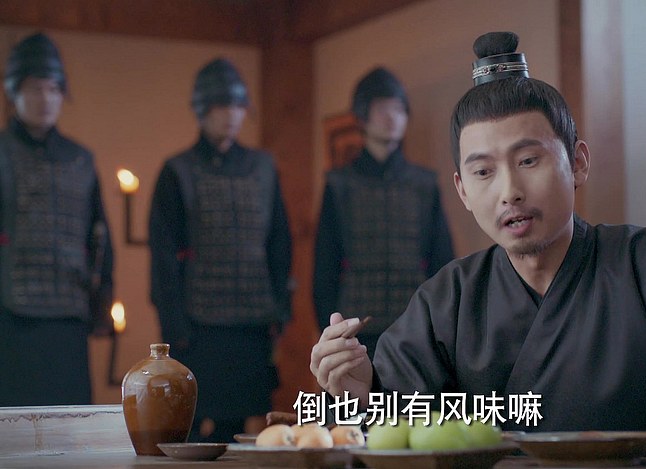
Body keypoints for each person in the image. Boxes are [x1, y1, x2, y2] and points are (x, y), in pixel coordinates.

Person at [310, 32, 646, 457]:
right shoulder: (448, 301)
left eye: (528, 160)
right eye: (483, 172)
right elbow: (394, 428)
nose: (509, 191)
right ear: (462, 191)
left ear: (578, 162)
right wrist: (358, 394)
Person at [149, 58, 292, 442]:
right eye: (220, 106)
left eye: (237, 106)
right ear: (202, 110)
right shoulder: (178, 170)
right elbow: (163, 257)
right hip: (198, 325)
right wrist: (173, 324)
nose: (230, 115)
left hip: (251, 323)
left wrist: (281, 308)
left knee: (240, 426)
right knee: (190, 424)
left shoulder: (262, 167)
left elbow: (279, 243)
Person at [0, 32, 114, 406]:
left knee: (70, 420)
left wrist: (102, 304)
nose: (45, 99)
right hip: (9, 316)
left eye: (53, 89)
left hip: (68, 313)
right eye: (35, 88)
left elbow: (99, 236)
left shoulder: (80, 159)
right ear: (14, 91)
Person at [313, 67, 454, 358]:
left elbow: (441, 259)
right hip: (355, 325)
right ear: (362, 116)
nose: (392, 118)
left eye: (399, 109)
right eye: (382, 109)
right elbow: (326, 264)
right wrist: (329, 329)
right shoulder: (340, 184)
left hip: (414, 323)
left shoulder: (424, 183)